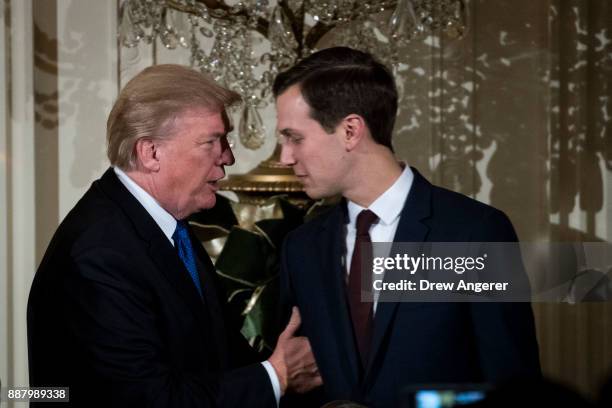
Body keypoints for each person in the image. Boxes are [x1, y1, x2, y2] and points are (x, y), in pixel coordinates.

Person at [27, 64, 321, 407]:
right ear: (150, 153)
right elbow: (147, 400)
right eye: (212, 141)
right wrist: (276, 376)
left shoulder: (164, 226)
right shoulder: (99, 253)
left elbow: (219, 358)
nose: (228, 156)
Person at [274, 47, 541, 407]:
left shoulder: (474, 232)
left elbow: (513, 388)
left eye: (295, 138)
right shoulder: (301, 248)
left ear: (351, 130)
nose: (285, 157)